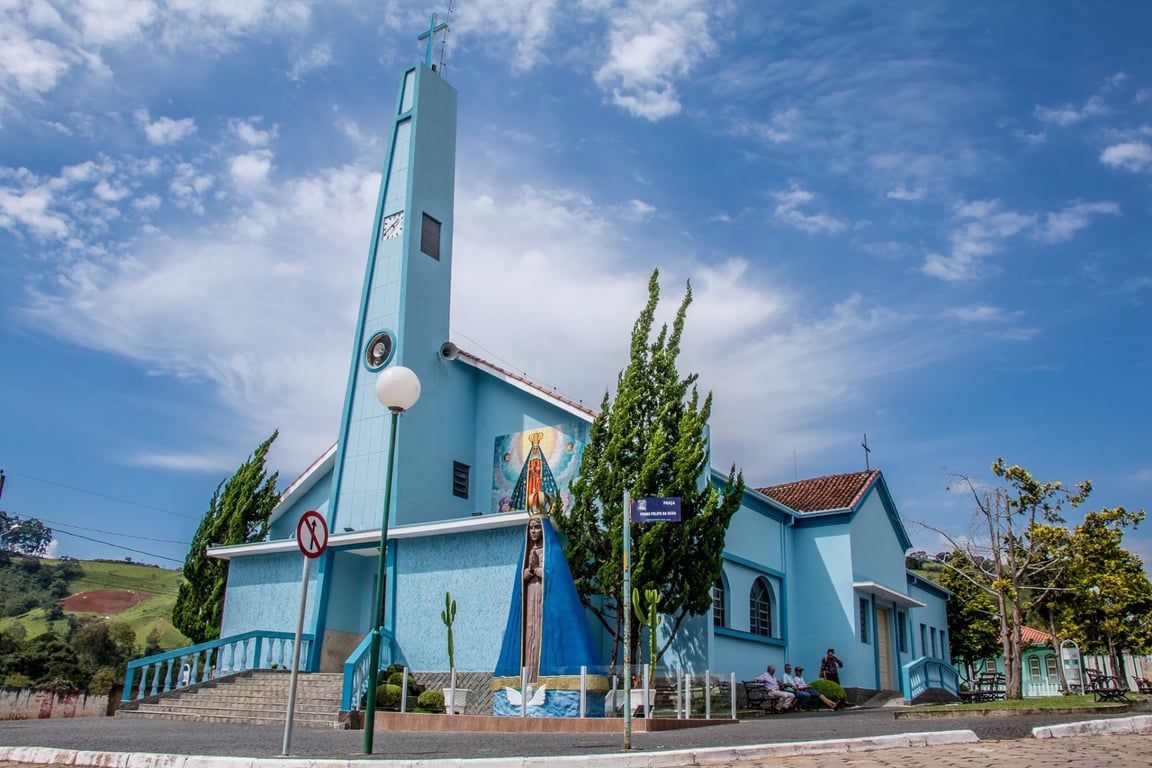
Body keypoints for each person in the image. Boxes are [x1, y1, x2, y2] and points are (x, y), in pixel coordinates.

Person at [521, 517, 544, 681]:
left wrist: (536, 569)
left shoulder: (549, 551)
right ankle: (527, 676)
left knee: (539, 631)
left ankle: (537, 674)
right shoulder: (527, 551)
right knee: (529, 631)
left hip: (542, 592)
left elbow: (551, 575)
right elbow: (521, 578)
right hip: (530, 591)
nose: (534, 531)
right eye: (531, 528)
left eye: (537, 527)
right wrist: (529, 570)